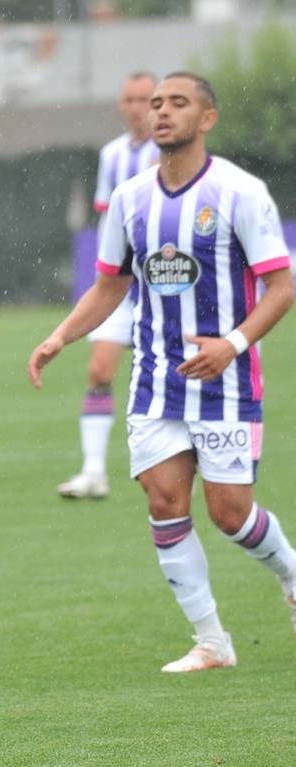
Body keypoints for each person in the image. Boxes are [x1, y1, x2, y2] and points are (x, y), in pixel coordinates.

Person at [29, 72, 296, 672]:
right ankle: (212, 641)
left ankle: (292, 577)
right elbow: (109, 285)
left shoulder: (240, 192)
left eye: (178, 102)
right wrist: (60, 336)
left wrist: (232, 343)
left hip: (225, 383)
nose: (162, 112)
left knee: (231, 515)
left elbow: (281, 288)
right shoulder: (129, 198)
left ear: (207, 119)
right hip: (155, 383)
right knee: (164, 502)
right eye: (156, 104)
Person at [58, 72, 160, 499]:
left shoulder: (171, 152)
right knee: (100, 370)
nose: (135, 106)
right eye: (129, 98)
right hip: (120, 288)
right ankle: (94, 472)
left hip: (161, 289)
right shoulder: (112, 154)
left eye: (144, 98)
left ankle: (184, 466)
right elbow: (106, 219)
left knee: (171, 380)